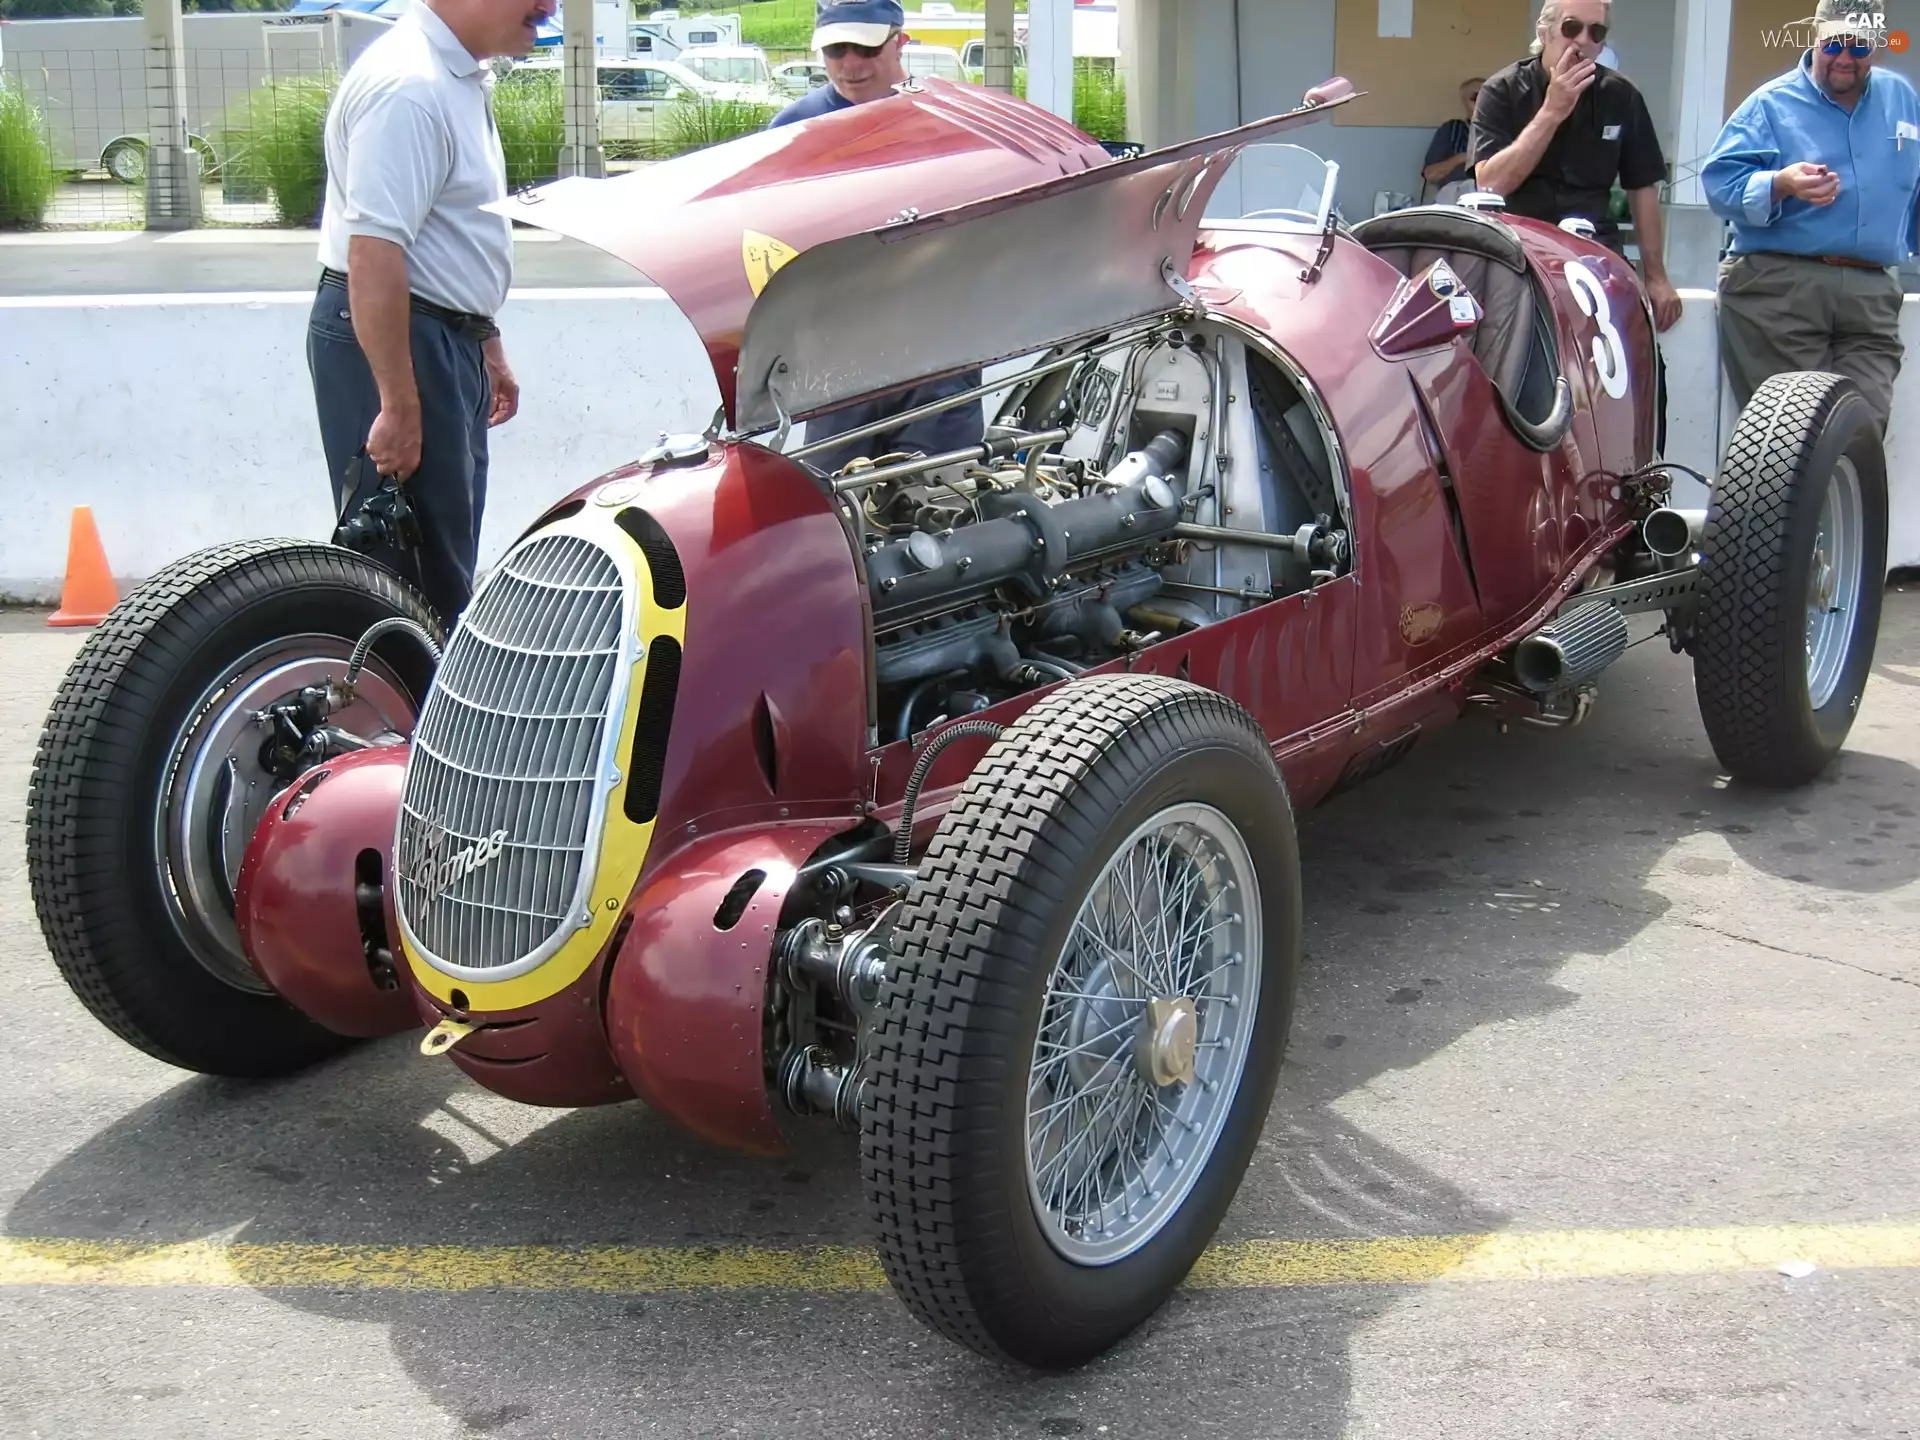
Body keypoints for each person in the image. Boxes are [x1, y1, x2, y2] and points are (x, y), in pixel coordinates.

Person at [308, 0, 550, 625]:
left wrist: (485, 343)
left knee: (440, 563)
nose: (550, 5)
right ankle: (407, 717)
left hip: (441, 336)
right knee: (408, 577)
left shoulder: (455, 76)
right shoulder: (410, 89)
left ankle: (421, 713)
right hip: (401, 337)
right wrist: (398, 401)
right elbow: (374, 255)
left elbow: (450, 231)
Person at [766, 0, 985, 471]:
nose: (850, 64)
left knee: (943, 507)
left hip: (939, 360)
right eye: (836, 49)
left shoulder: (950, 122)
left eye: (864, 48)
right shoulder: (790, 132)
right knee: (836, 515)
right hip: (837, 367)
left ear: (900, 41)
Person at [1701, 0, 1920, 435]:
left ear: (1876, 47)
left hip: (1870, 292)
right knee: (1789, 443)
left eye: (1858, 48)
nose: (1844, 58)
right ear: (1815, 38)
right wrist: (1780, 183)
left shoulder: (1901, 98)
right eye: (1834, 44)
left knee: (1860, 435)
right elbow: (1719, 186)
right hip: (1779, 288)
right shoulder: (1770, 104)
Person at [1469, 0, 1683, 331]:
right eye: (1572, 28)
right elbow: (1491, 183)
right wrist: (1551, 112)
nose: (1583, 40)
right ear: (1545, 31)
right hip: (1517, 252)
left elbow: (1643, 186)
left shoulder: (1620, 96)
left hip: (1594, 252)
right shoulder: (1503, 90)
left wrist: (1656, 277)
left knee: (1636, 345)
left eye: (1596, 32)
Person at [1422, 78, 1483, 204]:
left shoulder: (1505, 130)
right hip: (1457, 196)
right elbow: (1431, 174)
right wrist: (1463, 157)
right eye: (1475, 97)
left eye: (1488, 96)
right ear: (1464, 101)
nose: (1482, 101)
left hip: (1493, 196)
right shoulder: (1452, 129)